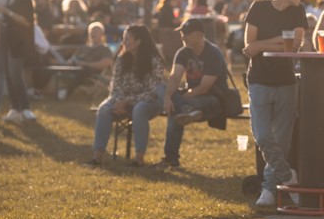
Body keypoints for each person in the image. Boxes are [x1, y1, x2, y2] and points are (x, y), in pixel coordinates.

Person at [243, 0, 310, 207]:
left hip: (286, 82)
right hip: (259, 80)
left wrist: (262, 44)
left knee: (281, 142)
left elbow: (295, 46)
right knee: (262, 136)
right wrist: (276, 41)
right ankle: (288, 177)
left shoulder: (298, 12)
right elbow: (248, 45)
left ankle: (269, 189)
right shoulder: (258, 8)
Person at [157, 19, 230, 170]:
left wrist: (181, 99)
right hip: (192, 99)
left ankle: (170, 158)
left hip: (213, 100)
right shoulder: (183, 53)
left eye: (187, 34)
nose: (183, 37)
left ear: (199, 35)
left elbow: (204, 87)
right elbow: (175, 77)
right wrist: (167, 97)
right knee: (170, 98)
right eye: (182, 33)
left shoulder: (213, 53)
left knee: (177, 106)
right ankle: (187, 111)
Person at [88, 25, 166, 166]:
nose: (123, 42)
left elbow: (152, 91)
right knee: (104, 109)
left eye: (127, 39)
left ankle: (139, 158)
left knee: (139, 109)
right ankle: (97, 157)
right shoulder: (121, 60)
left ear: (138, 41)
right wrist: (119, 102)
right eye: (123, 39)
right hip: (124, 101)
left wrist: (127, 102)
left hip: (149, 101)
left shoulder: (154, 61)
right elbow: (115, 86)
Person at [0, 0, 37, 122]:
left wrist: (7, 12)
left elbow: (26, 21)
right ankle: (15, 108)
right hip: (7, 40)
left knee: (15, 74)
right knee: (9, 75)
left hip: (19, 42)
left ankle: (26, 108)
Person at [58, 22, 114, 100]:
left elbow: (105, 63)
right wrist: (70, 62)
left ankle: (67, 91)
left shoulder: (105, 49)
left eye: (95, 32)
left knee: (84, 69)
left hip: (91, 73)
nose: (92, 34)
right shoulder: (84, 47)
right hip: (76, 68)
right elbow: (73, 58)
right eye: (91, 32)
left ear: (101, 34)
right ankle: (50, 90)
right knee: (59, 67)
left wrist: (86, 64)